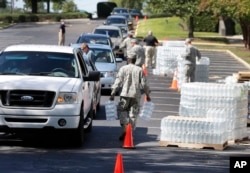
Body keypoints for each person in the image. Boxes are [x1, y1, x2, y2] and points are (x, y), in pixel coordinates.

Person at [109, 54, 151, 141]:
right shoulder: (140, 70)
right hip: (135, 95)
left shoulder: (123, 69)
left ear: (128, 60)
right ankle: (130, 131)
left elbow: (118, 81)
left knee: (122, 110)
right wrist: (147, 94)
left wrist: (113, 93)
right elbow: (144, 84)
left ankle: (125, 126)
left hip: (124, 94)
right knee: (133, 114)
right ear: (135, 60)